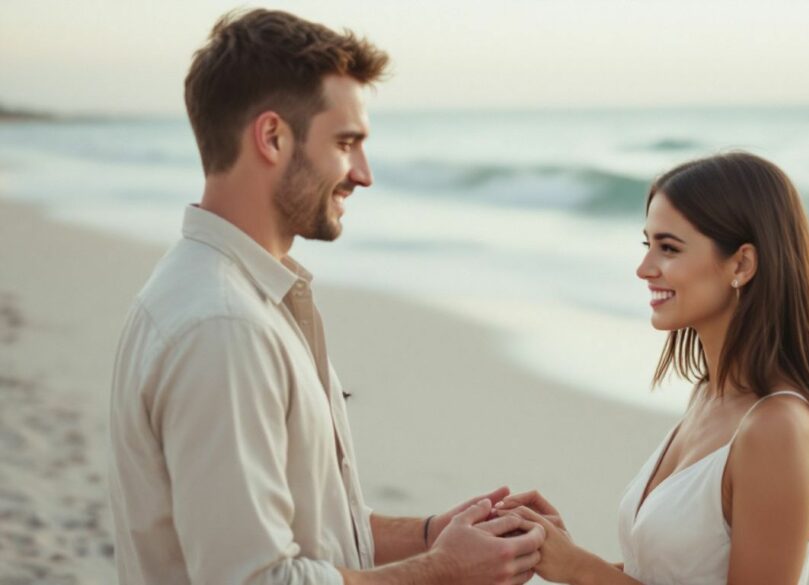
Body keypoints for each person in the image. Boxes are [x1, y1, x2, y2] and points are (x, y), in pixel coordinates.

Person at [107, 9, 543, 585]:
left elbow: (301, 523)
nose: (363, 173)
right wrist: (444, 571)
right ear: (272, 137)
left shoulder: (244, 297)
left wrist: (432, 533)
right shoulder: (223, 327)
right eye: (346, 142)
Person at [496, 152, 809, 585]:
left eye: (668, 248)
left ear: (741, 264)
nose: (644, 268)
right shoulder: (711, 394)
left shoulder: (777, 428)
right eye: (648, 245)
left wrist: (578, 569)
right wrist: (559, 555)